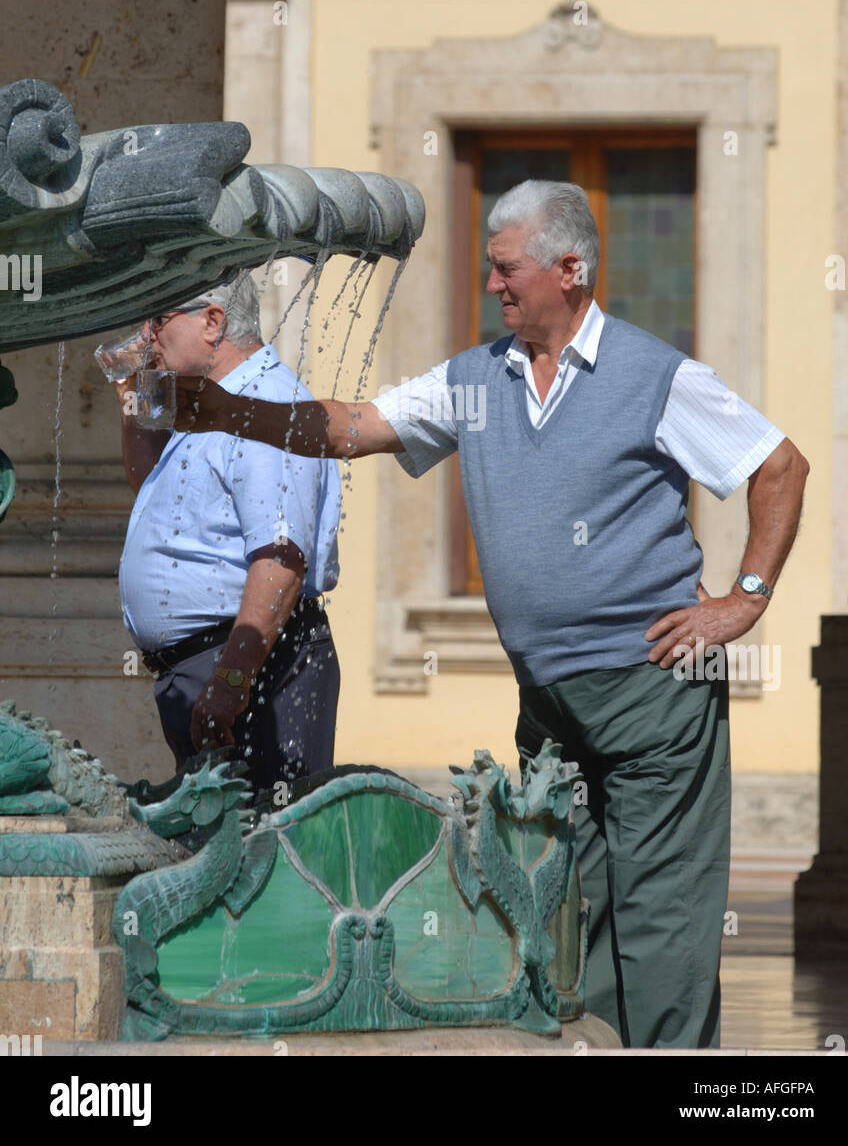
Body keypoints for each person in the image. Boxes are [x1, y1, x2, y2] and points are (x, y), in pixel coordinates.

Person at [170, 182, 809, 1049]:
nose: (494, 285)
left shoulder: (653, 373)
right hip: (548, 703)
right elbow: (354, 425)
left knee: (665, 917)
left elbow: (779, 464)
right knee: (570, 910)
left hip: (656, 689)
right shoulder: (478, 381)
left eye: (507, 268)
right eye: (490, 269)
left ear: (570, 268)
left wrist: (745, 601)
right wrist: (230, 411)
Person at [116, 271, 341, 800]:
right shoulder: (211, 400)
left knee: (264, 853)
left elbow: (280, 560)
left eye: (159, 320)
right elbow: (147, 483)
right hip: (206, 668)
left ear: (212, 321)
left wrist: (231, 683)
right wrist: (135, 394)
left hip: (252, 667)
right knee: (216, 851)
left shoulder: (265, 407)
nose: (146, 334)